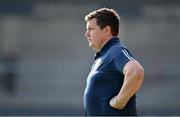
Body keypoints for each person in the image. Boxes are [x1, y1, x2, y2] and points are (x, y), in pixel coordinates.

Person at [83, 8, 144, 116]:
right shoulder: (103, 56)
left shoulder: (115, 51)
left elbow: (136, 71)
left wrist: (120, 100)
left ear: (106, 30)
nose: (86, 34)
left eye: (91, 29)